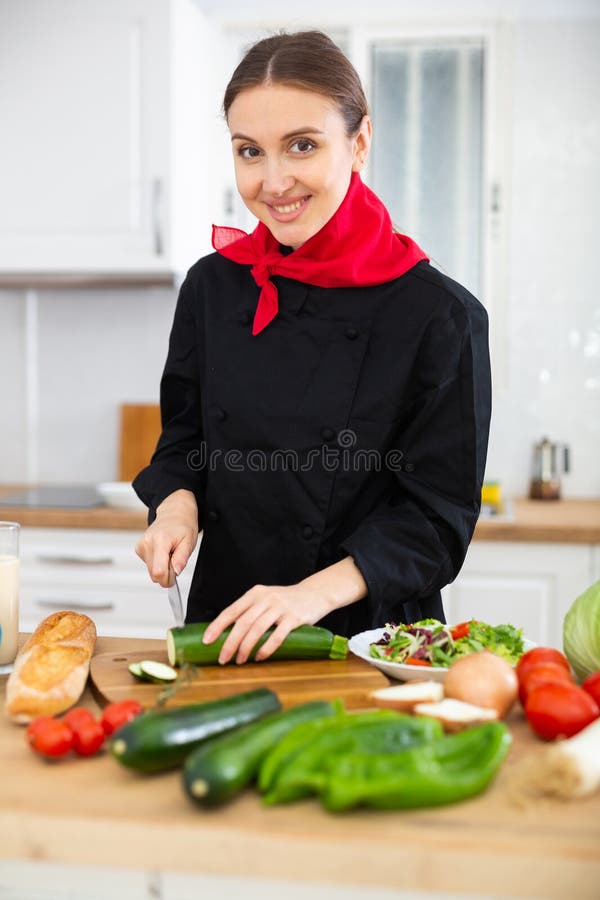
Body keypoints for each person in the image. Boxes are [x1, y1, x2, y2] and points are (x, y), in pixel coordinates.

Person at [133, 30, 491, 665]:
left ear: (359, 144)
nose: (273, 181)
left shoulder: (440, 315)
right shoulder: (212, 288)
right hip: (228, 624)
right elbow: (184, 441)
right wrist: (176, 508)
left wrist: (305, 598)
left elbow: (436, 522)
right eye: (250, 151)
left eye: (302, 146)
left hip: (371, 641)